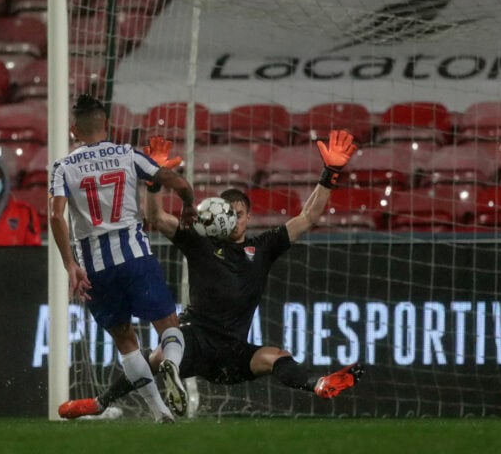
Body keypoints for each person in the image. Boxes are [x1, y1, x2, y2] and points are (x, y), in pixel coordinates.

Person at [58, 130, 364, 420]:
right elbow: (156, 217)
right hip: (196, 339)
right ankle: (102, 403)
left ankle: (320, 383)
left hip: (233, 352)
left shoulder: (264, 247)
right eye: (227, 214)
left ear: (249, 216)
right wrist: (154, 183)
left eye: (239, 214)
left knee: (276, 356)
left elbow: (307, 217)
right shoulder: (200, 243)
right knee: (159, 357)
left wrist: (330, 174)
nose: (233, 221)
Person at [49, 94, 198, 423]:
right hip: (135, 256)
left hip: (96, 267)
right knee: (169, 327)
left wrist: (70, 265)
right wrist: (187, 202)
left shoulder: (63, 167)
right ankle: (171, 363)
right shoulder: (128, 154)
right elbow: (177, 182)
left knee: (125, 340)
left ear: (74, 129)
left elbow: (56, 217)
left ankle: (159, 413)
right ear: (107, 125)